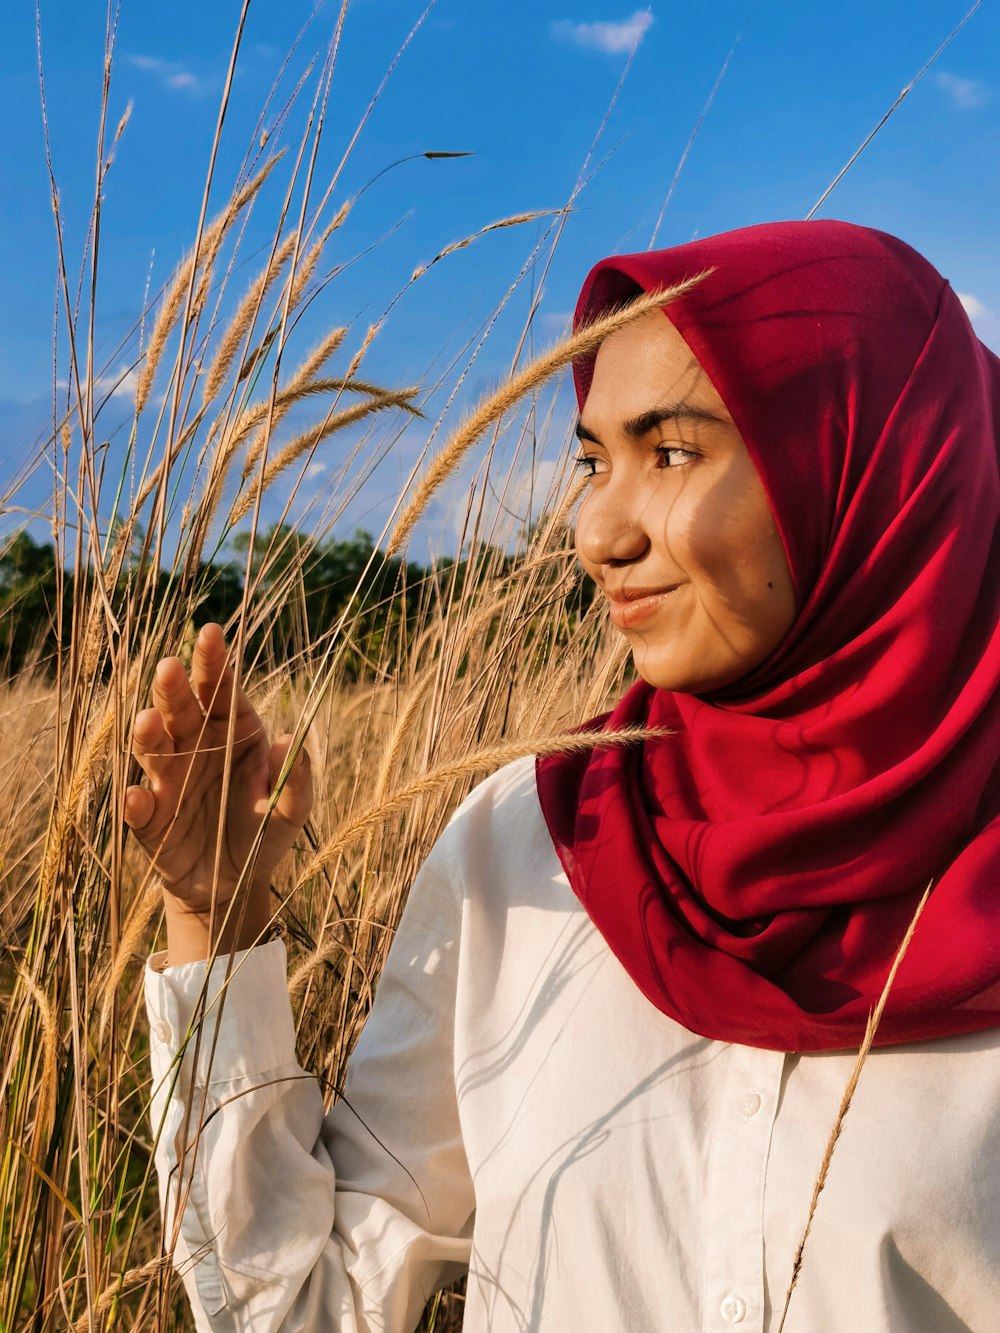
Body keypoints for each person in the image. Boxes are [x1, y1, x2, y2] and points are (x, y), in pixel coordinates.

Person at [129, 219, 1000, 1332]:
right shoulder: (528, 843)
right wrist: (214, 915)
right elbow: (306, 1307)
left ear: (869, 458)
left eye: (672, 450)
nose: (595, 530)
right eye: (593, 458)